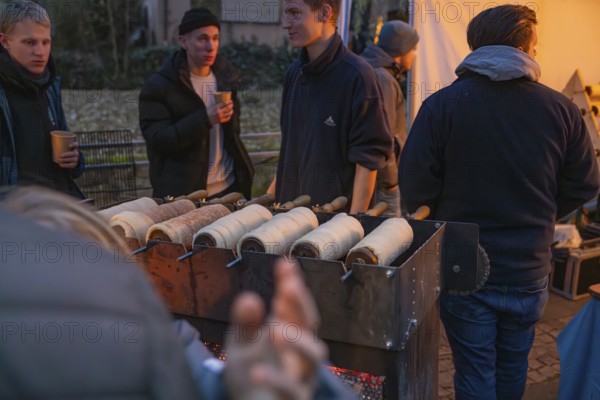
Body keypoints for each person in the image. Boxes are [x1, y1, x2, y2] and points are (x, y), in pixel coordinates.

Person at [399, 5, 600, 399]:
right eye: (536, 45)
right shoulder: (560, 109)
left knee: (475, 371)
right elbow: (586, 183)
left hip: (464, 265)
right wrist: (541, 210)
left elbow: (416, 187)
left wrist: (449, 212)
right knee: (513, 366)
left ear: (476, 46)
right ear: (525, 47)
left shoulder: (442, 106)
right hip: (529, 267)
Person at [268, 0, 392, 213]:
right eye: (285, 13)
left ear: (325, 13)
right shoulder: (294, 73)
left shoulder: (358, 75)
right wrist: (270, 201)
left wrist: (352, 225)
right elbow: (289, 147)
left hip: (331, 227)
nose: (285, 23)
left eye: (294, 12)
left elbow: (368, 159)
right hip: (285, 222)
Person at [139, 7, 254, 200]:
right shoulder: (159, 86)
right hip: (185, 196)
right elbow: (159, 141)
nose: (211, 46)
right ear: (183, 41)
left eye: (215, 38)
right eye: (202, 39)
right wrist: (205, 119)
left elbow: (232, 136)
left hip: (229, 188)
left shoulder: (226, 79)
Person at [0, 0, 84, 198]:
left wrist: (74, 159)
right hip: (17, 215)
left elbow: (69, 156)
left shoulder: (50, 86)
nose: (40, 52)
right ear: (5, 42)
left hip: (59, 205)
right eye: (29, 42)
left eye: (45, 42)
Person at [361, 20, 419, 216]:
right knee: (386, 239)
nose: (415, 54)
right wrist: (391, 182)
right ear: (401, 49)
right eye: (413, 48)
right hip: (380, 183)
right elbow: (384, 136)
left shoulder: (372, 71)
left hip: (373, 178)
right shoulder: (383, 79)